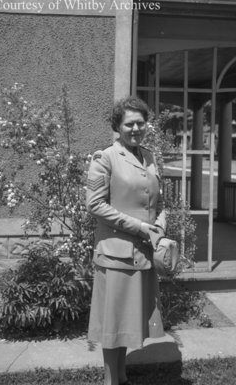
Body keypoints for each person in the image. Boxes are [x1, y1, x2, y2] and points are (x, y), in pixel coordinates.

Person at [86, 96, 166, 385]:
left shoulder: (149, 156)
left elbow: (161, 202)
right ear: (117, 126)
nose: (136, 128)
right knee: (113, 323)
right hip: (116, 253)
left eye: (140, 122)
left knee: (125, 322)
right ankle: (111, 380)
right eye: (129, 123)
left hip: (143, 253)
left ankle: (121, 377)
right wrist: (141, 227)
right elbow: (95, 205)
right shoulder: (105, 158)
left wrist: (159, 225)